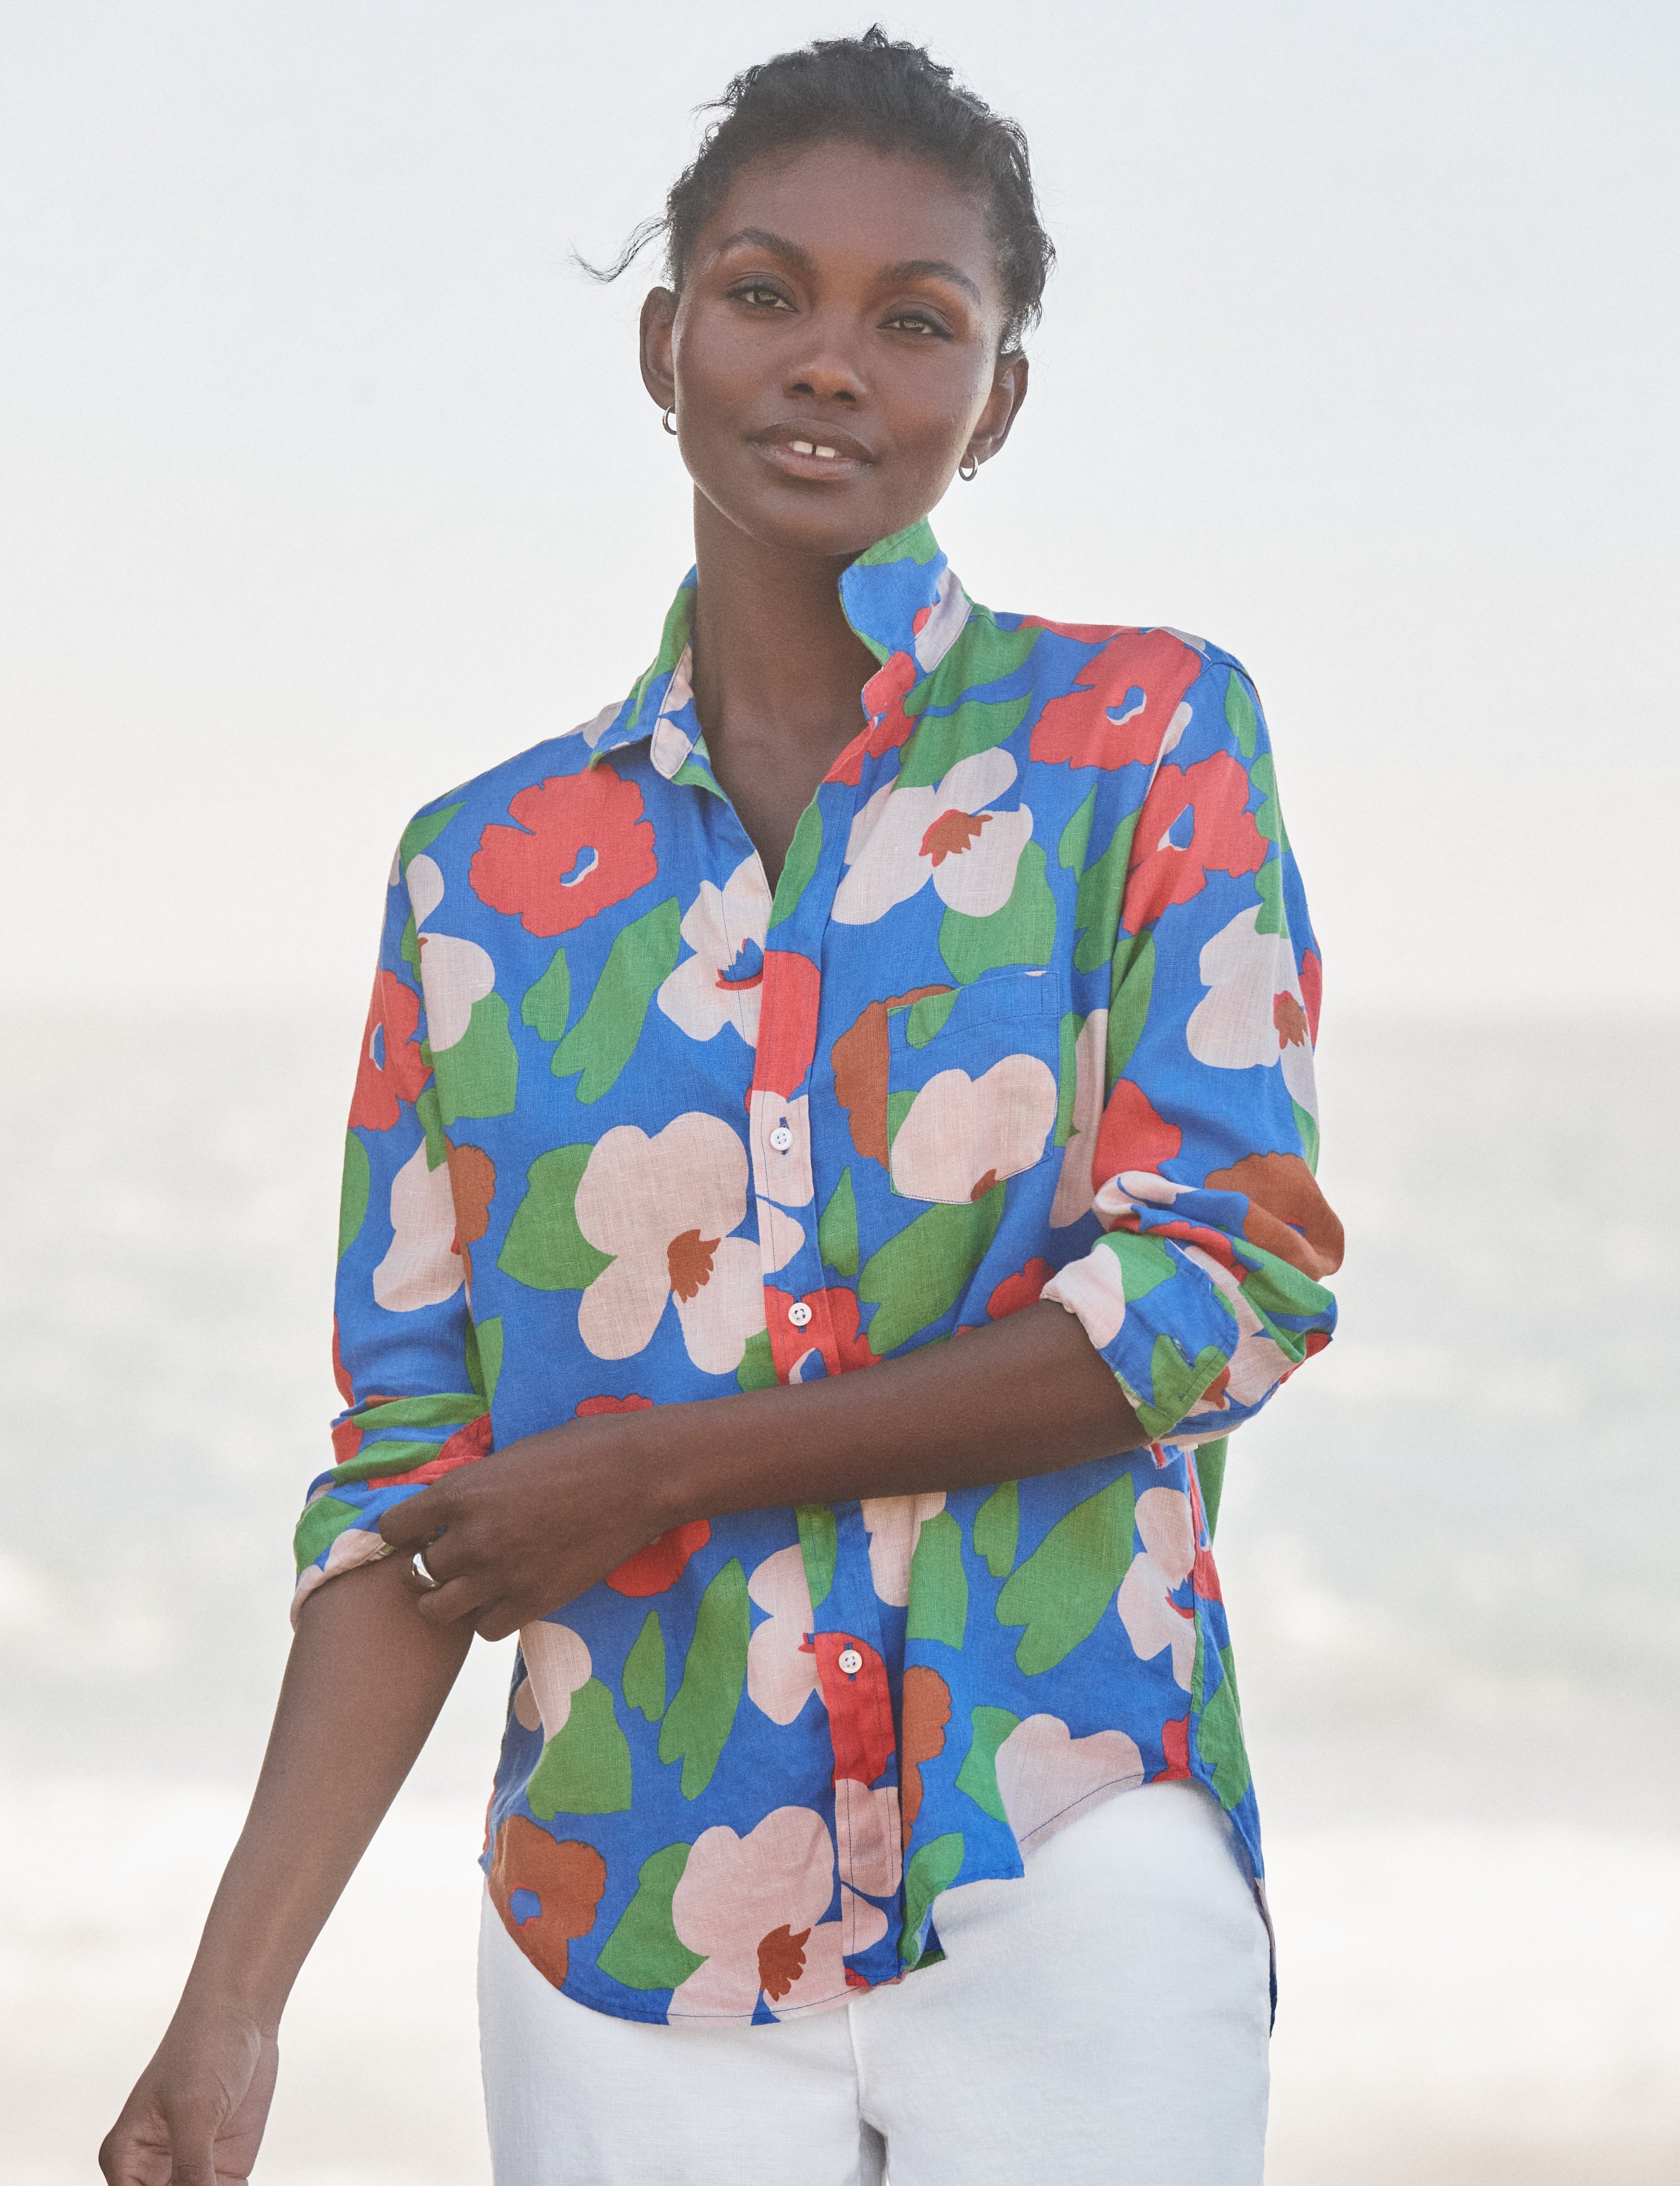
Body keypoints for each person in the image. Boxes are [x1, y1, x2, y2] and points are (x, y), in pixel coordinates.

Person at [100, 28, 1343, 2186]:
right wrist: (230, 2008)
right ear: (665, 343)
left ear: (1001, 399)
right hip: (616, 1939)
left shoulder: (1141, 741)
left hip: (1062, 1861)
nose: (831, 365)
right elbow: (416, 1485)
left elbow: (1214, 1297)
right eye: (767, 294)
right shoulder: (473, 881)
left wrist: (655, 1471)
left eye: (918, 319)